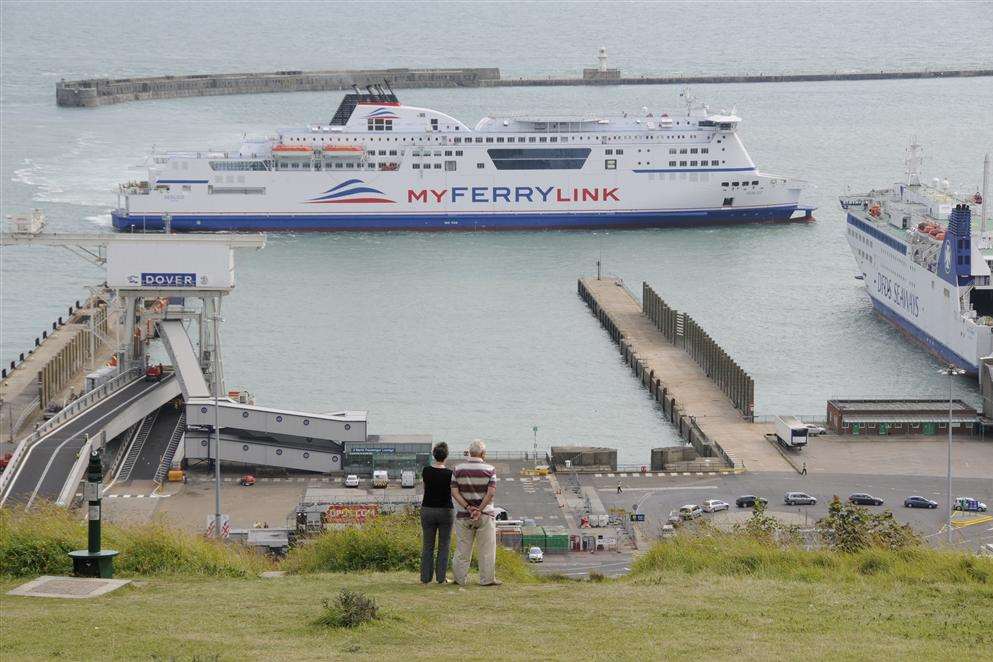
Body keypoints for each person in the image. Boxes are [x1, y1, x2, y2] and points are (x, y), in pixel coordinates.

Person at [451, 439, 500, 587]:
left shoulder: (457, 469)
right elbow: (491, 493)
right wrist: (479, 509)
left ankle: (459, 579)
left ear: (469, 452)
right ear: (483, 453)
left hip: (463, 515)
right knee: (486, 549)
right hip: (485, 514)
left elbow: (454, 492)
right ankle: (486, 580)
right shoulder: (490, 470)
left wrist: (468, 507)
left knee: (462, 549)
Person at [420, 442, 455, 584]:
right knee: (444, 545)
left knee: (427, 545)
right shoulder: (449, 474)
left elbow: (424, 488)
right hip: (446, 510)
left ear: (434, 455)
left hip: (427, 509)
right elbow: (453, 492)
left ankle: (425, 578)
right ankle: (441, 578)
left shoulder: (426, 471)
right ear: (446, 456)